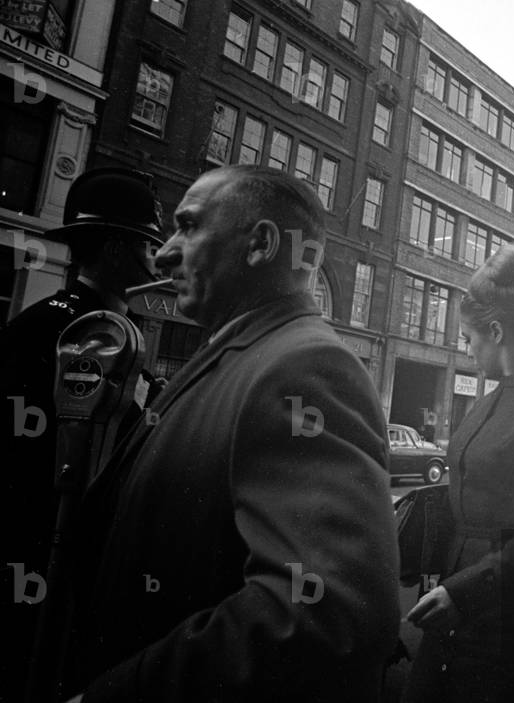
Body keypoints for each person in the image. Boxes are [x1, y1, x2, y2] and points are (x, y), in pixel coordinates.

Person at [59, 165, 400, 701]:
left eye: (188, 226)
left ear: (260, 243)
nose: (165, 252)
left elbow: (325, 609)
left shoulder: (303, 366)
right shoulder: (242, 353)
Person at [0, 167, 165, 703]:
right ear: (116, 249)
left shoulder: (85, 325)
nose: (154, 259)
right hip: (47, 553)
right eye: (145, 244)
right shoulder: (81, 332)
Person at [402, 246, 514, 703]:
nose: (467, 347)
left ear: (496, 331)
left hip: (508, 614)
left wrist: (463, 592)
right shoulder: (492, 397)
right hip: (461, 599)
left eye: (467, 337)